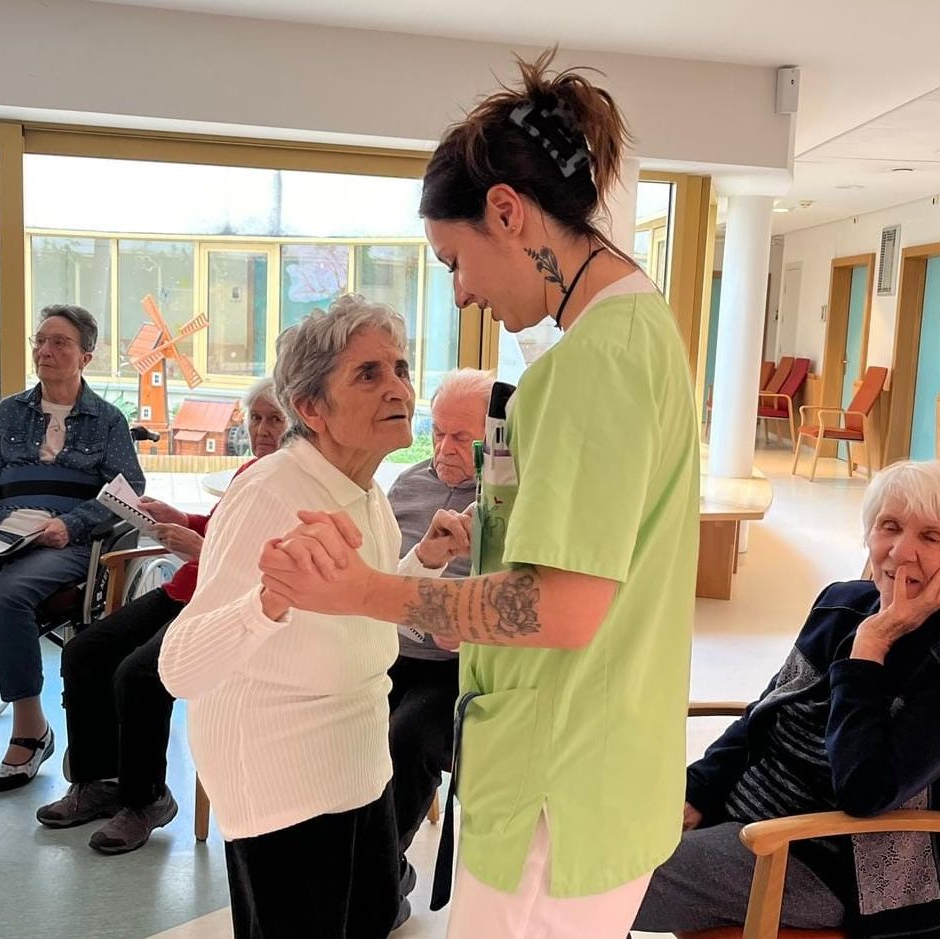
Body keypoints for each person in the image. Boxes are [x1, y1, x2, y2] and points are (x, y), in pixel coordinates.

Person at [257, 50, 700, 939]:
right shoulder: (637, 333)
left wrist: (365, 591)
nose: (460, 288)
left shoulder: (592, 365)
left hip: (558, 783)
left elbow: (564, 607)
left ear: (507, 210)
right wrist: (465, 588)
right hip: (587, 759)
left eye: (454, 257)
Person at [157, 295, 472, 939]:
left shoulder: (366, 490)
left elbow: (362, 607)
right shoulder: (271, 492)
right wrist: (269, 600)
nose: (398, 389)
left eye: (402, 368)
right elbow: (179, 667)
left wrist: (427, 561)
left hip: (359, 759)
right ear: (311, 408)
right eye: (368, 374)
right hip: (282, 780)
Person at [633, 460, 940, 939]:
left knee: (596, 877)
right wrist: (699, 789)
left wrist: (869, 651)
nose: (901, 551)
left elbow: (866, 792)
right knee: (582, 829)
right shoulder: (843, 602)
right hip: (744, 815)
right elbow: (767, 714)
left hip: (835, 863)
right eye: (890, 526)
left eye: (932, 537)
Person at [34, 377, 286, 854]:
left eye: (275, 419)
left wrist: (202, 548)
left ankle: (145, 799)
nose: (263, 429)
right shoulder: (250, 472)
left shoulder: (289, 487)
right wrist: (184, 519)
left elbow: (264, 569)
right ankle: (98, 781)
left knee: (140, 675)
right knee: (85, 652)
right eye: (256, 418)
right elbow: (219, 530)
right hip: (186, 587)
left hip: (222, 601)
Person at [0, 304, 146, 815]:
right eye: (40, 340)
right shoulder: (9, 412)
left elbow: (130, 490)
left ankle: (30, 729)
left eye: (60, 343)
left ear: (86, 356)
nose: (45, 350)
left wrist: (71, 526)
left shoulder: (109, 419)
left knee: (4, 597)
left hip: (63, 537)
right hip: (2, 527)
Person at [387, 368, 494, 889]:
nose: (444, 448)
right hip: (388, 648)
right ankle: (358, 863)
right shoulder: (408, 485)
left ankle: (379, 875)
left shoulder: (508, 500)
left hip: (455, 667)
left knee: (406, 738)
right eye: (437, 432)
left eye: (461, 437)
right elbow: (381, 573)